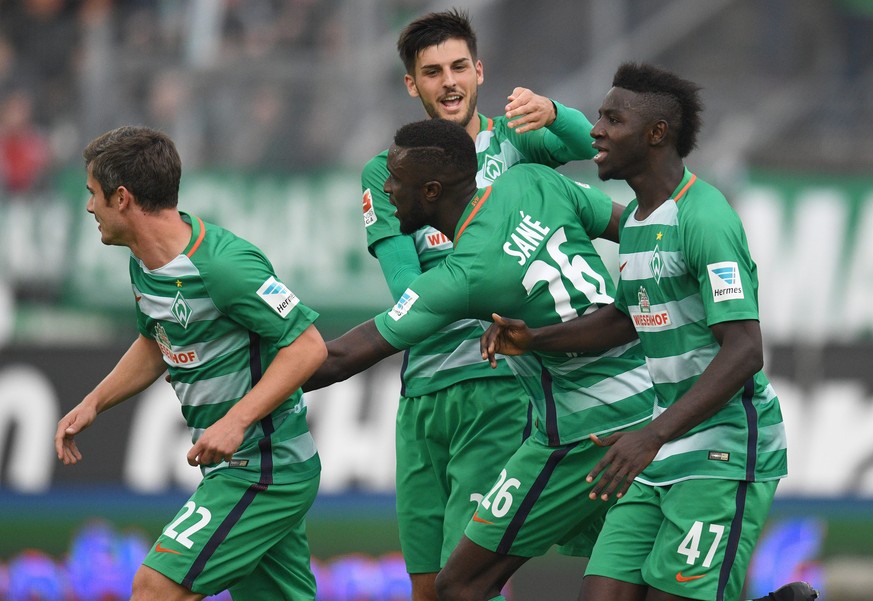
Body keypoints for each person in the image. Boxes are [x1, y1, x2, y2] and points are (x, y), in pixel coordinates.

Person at [480, 63, 818, 601]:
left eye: (612, 119)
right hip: (663, 446)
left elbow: (745, 351)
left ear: (656, 134)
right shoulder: (638, 222)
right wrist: (536, 339)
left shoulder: (704, 219)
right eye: (598, 117)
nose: (595, 130)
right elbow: (622, 319)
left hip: (723, 451)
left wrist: (652, 435)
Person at [306, 117, 655, 601]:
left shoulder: (463, 276)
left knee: (461, 584)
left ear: (430, 191)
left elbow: (341, 358)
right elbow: (643, 233)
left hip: (580, 431)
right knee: (637, 582)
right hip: (646, 398)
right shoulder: (533, 179)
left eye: (394, 180)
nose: (385, 190)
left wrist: (248, 378)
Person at [359, 9, 598, 599]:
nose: (449, 82)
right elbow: (403, 288)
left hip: (497, 385)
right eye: (432, 72)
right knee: (427, 586)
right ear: (412, 84)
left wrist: (555, 111)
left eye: (459, 66)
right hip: (421, 396)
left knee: (468, 579)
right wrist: (479, 274)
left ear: (480, 71)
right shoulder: (387, 173)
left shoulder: (516, 138)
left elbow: (587, 145)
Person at [54, 126, 326, 601]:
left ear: (122, 198)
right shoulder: (144, 261)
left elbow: (307, 346)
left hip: (263, 468)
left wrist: (235, 422)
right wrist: (94, 402)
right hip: (245, 467)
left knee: (153, 588)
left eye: (92, 194)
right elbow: (156, 338)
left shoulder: (225, 265)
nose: (88, 207)